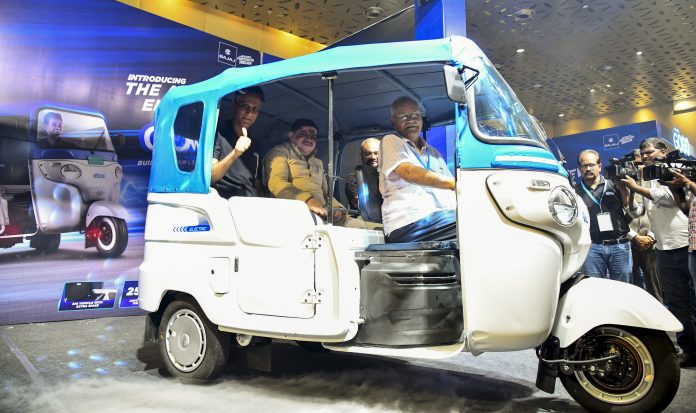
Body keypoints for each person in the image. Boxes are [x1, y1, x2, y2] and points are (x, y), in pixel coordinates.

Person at [622, 137, 696, 367]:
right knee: (676, 302)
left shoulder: (676, 169)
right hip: (663, 248)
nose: (645, 156)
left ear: (663, 151)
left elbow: (670, 200)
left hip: (686, 244)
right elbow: (637, 212)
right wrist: (629, 192)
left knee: (694, 300)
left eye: (650, 152)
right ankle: (689, 349)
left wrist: (637, 188)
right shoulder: (646, 177)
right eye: (643, 153)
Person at [379, 96, 456, 243]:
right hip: (408, 223)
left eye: (415, 115)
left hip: (440, 218)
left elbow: (451, 190)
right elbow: (409, 172)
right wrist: (452, 183)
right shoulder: (391, 141)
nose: (410, 120)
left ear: (421, 119)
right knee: (470, 222)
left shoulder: (433, 152)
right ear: (393, 122)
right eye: (403, 117)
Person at [263, 118, 346, 224]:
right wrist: (307, 200)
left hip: (324, 214)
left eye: (313, 135)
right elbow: (276, 183)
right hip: (295, 212)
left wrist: (337, 208)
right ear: (291, 136)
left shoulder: (318, 162)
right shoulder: (280, 152)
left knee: (361, 225)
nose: (309, 138)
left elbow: (327, 194)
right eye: (303, 133)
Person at [575, 149, 633, 283]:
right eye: (584, 166)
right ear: (580, 169)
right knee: (595, 287)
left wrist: (622, 225)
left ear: (599, 166)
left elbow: (631, 210)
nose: (588, 169)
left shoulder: (615, 184)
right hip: (592, 247)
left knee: (623, 287)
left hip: (620, 245)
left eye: (591, 165)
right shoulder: (575, 192)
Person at [211, 86, 264, 198]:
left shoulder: (256, 145)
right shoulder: (218, 134)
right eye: (245, 107)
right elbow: (210, 177)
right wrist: (235, 153)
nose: (249, 114)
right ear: (235, 105)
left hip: (250, 200)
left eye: (255, 109)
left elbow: (256, 184)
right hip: (224, 199)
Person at [626, 148, 662, 301]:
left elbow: (660, 211)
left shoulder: (655, 182)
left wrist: (652, 236)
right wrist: (634, 237)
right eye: (635, 164)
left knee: (656, 288)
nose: (639, 167)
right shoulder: (623, 184)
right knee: (632, 287)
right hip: (629, 243)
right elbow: (618, 215)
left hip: (651, 242)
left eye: (641, 163)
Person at [344, 137, 380, 210]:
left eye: (376, 153)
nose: (373, 157)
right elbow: (361, 205)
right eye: (368, 153)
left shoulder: (389, 175)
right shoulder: (354, 178)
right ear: (361, 155)